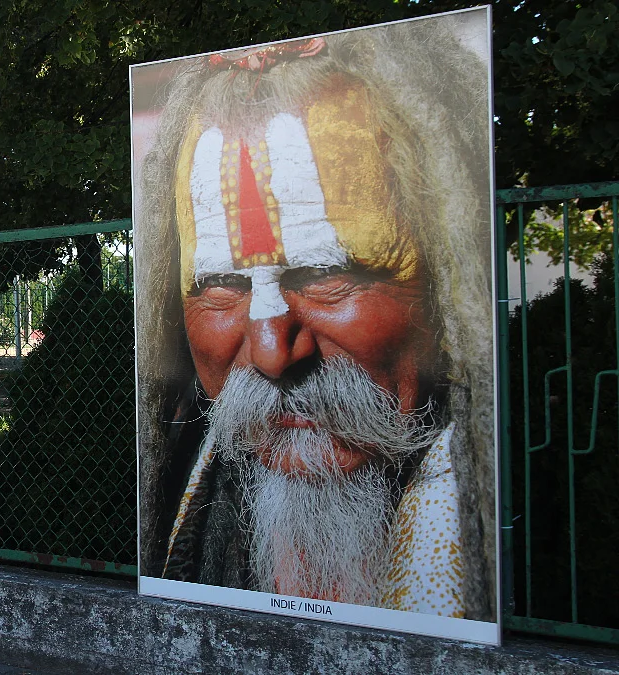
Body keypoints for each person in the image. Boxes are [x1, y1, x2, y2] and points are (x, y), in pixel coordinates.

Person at [135, 18, 495, 620]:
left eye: (327, 276)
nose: (273, 352)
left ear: (448, 281)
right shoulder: (177, 492)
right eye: (221, 287)